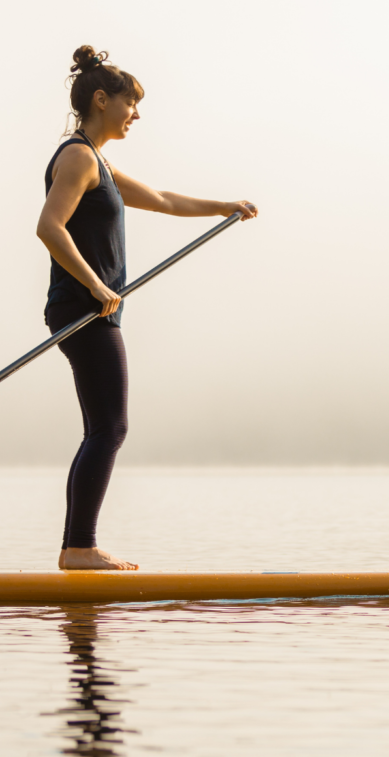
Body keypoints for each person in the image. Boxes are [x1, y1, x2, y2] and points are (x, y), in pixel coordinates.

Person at [36, 46, 258, 571]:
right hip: (83, 308)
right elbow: (49, 227)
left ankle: (76, 548)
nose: (136, 114)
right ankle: (79, 549)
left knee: (102, 428)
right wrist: (95, 285)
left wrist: (223, 205)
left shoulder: (98, 162)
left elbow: (161, 198)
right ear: (101, 99)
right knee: (110, 429)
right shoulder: (77, 157)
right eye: (130, 103)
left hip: (91, 307)